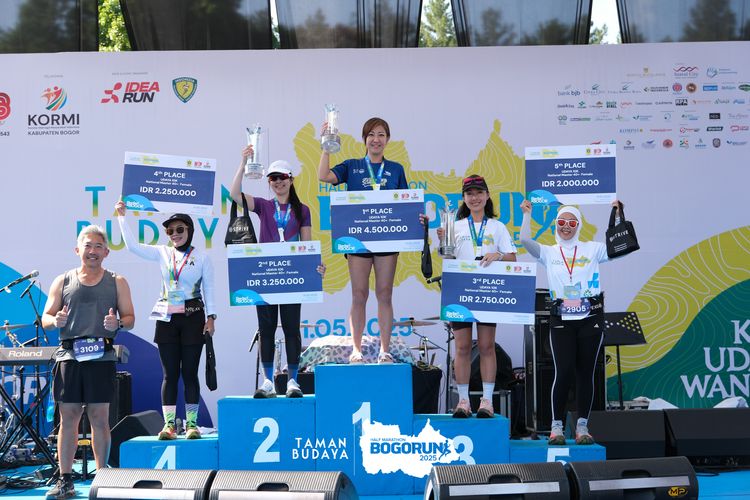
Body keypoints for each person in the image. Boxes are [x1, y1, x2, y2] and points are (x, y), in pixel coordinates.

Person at [520, 199, 625, 445]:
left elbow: (620, 246)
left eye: (571, 222)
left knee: (586, 373)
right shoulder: (548, 252)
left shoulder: (593, 249)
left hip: (590, 318)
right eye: (561, 222)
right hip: (562, 320)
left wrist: (618, 217)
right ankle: (556, 427)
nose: (566, 226)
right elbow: (524, 240)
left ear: (578, 226)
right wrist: (527, 214)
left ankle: (582, 427)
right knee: (563, 371)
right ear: (556, 225)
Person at [42, 225, 135, 499]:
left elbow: (130, 318)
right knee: (68, 418)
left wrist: (118, 323)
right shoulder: (62, 280)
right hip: (69, 357)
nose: (92, 251)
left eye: (98, 246)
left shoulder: (118, 281)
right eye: (88, 245)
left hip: (101, 357)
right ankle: (65, 480)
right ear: (77, 250)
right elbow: (46, 318)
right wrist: (55, 320)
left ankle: (102, 477)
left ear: (106, 252)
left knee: (99, 418)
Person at [115, 201, 216, 440]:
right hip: (167, 317)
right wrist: (121, 217)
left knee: (190, 374)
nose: (174, 234)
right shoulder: (162, 252)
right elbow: (132, 246)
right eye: (170, 231)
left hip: (193, 316)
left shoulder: (202, 257)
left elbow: (209, 290)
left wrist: (211, 318)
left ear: (190, 230)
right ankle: (169, 426)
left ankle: (192, 425)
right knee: (169, 375)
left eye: (179, 229)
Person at [231, 151, 325, 398]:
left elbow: (307, 245)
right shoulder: (264, 205)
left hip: (291, 277)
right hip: (266, 277)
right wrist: (243, 163)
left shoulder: (302, 210)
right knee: (266, 329)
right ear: (269, 182)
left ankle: (293, 381)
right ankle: (268, 382)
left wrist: (316, 267)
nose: (278, 182)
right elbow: (234, 195)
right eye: (273, 178)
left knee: (292, 329)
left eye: (282, 177)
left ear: (291, 179)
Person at [318, 117, 408, 364]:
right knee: (359, 294)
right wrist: (326, 145)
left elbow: (406, 204)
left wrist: (417, 219)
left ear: (387, 140)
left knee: (385, 294)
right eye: (371, 135)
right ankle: (356, 351)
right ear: (364, 139)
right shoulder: (352, 166)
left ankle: (385, 351)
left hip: (387, 240)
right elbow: (323, 175)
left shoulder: (396, 169)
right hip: (357, 240)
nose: (376, 139)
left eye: (381, 135)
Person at [435, 175, 517, 418]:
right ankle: (463, 401)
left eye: (479, 192)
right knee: (461, 347)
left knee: (486, 346)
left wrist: (498, 256)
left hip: (487, 291)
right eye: (469, 194)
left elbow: (512, 257)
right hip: (460, 290)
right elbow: (448, 258)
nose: (475, 198)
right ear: (464, 198)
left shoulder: (497, 227)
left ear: (487, 195)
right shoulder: (455, 226)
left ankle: (487, 401)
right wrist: (442, 242)